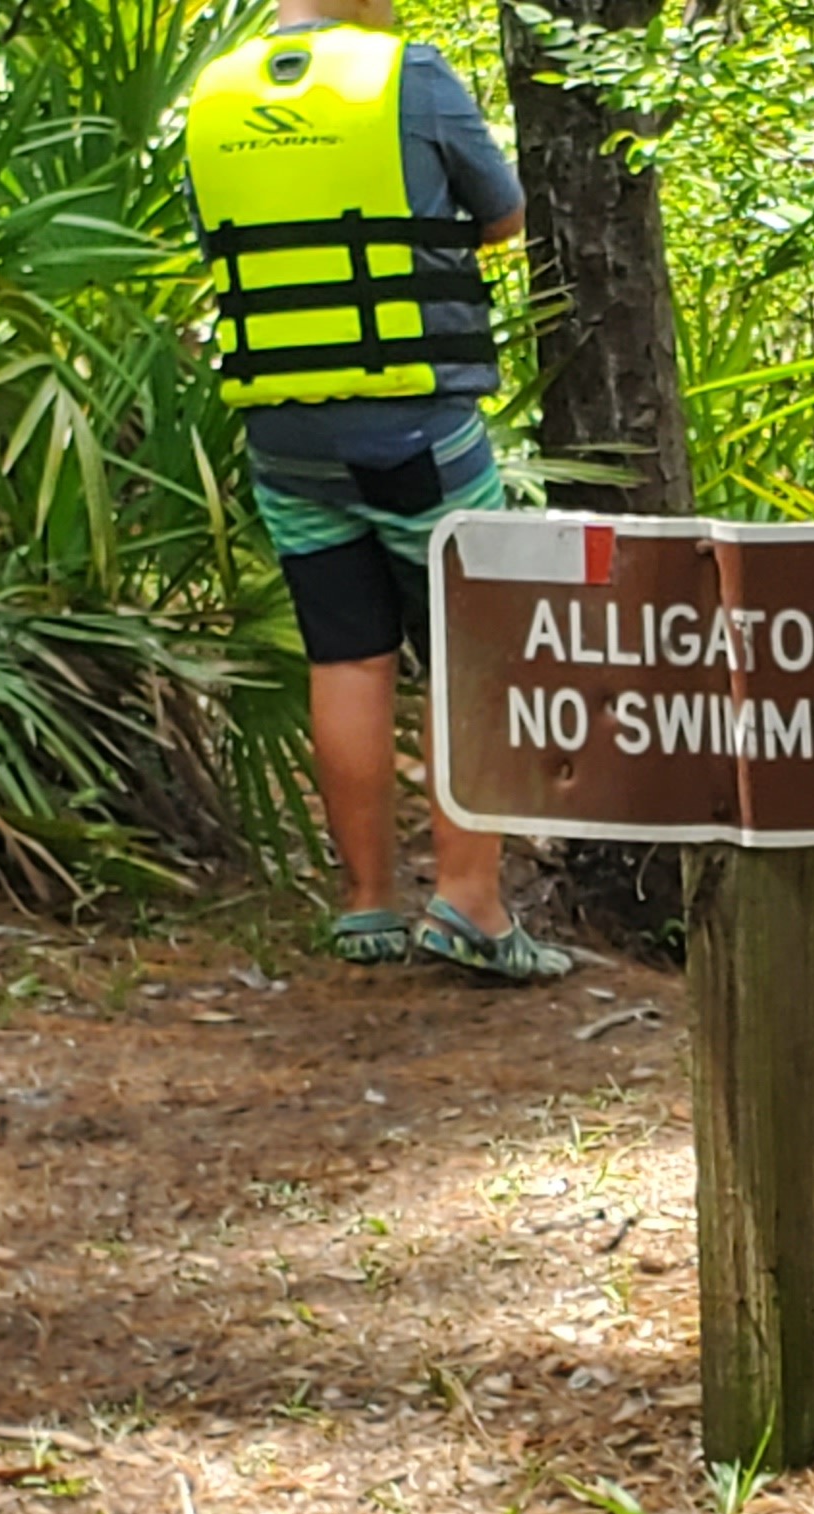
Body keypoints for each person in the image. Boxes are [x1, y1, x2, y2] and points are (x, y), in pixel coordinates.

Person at [182, 0, 570, 980]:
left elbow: (223, 237)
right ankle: (471, 903)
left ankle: (366, 906)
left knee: (346, 654)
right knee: (470, 654)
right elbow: (505, 212)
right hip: (412, 421)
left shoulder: (216, 92)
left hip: (284, 430)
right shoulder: (411, 76)